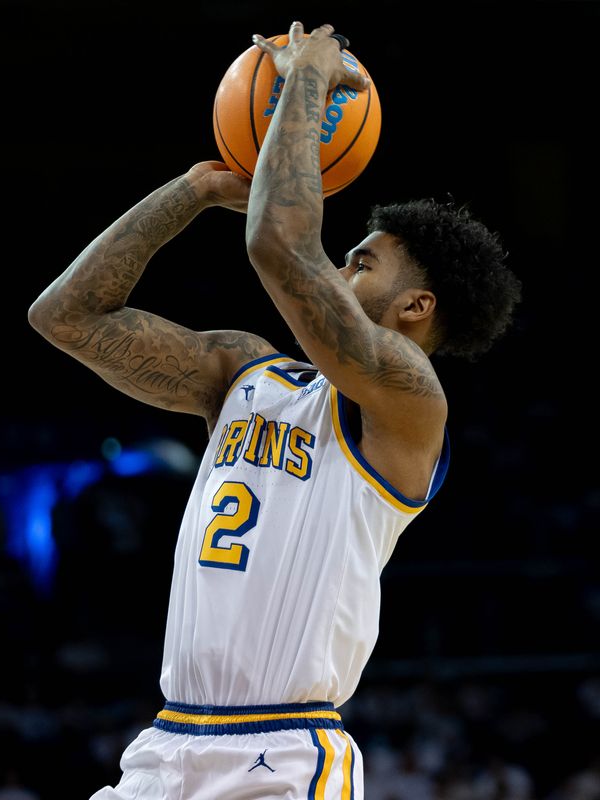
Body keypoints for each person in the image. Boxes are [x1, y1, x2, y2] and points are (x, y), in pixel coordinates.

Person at [27, 21, 521, 800]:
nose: (341, 265)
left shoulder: (410, 400)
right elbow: (65, 317)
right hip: (165, 747)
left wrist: (309, 81)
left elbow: (279, 244)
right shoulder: (245, 371)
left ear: (416, 307)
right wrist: (191, 191)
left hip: (286, 757)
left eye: (363, 262)